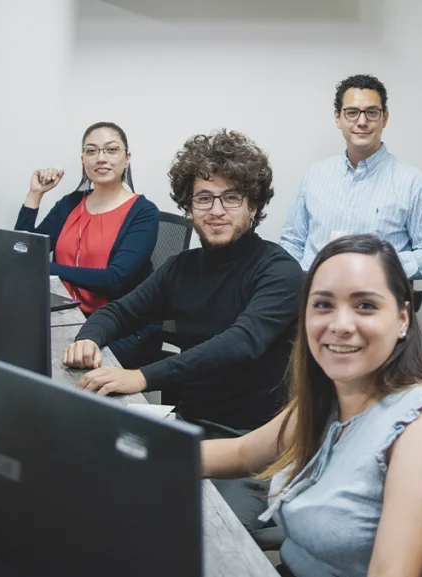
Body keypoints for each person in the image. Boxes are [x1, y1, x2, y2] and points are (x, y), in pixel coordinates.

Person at [203, 234, 422, 577]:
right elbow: (241, 453)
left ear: (402, 318)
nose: (340, 325)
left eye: (365, 305)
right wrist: (140, 453)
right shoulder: (332, 398)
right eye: (323, 304)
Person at [62, 129, 304, 529]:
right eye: (204, 198)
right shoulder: (181, 267)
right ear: (189, 208)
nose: (216, 210)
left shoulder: (279, 272)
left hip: (254, 447)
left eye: (232, 198)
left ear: (254, 207)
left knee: (208, 535)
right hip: (187, 430)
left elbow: (239, 344)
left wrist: (141, 376)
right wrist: (88, 337)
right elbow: (121, 312)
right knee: (97, 501)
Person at [15, 121, 161, 368]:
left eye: (111, 150)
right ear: (83, 159)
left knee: (65, 373)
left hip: (122, 328)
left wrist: (42, 267)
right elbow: (21, 252)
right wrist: (35, 194)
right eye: (92, 151)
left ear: (127, 158)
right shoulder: (70, 203)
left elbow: (115, 277)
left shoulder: (144, 213)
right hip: (68, 317)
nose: (100, 158)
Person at [279, 74, 422, 280]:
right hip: (316, 297)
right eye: (351, 112)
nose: (362, 121)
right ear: (337, 117)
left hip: (377, 299)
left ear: (384, 117)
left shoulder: (413, 183)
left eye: (371, 112)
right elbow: (292, 242)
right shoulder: (314, 176)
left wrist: (377, 264)